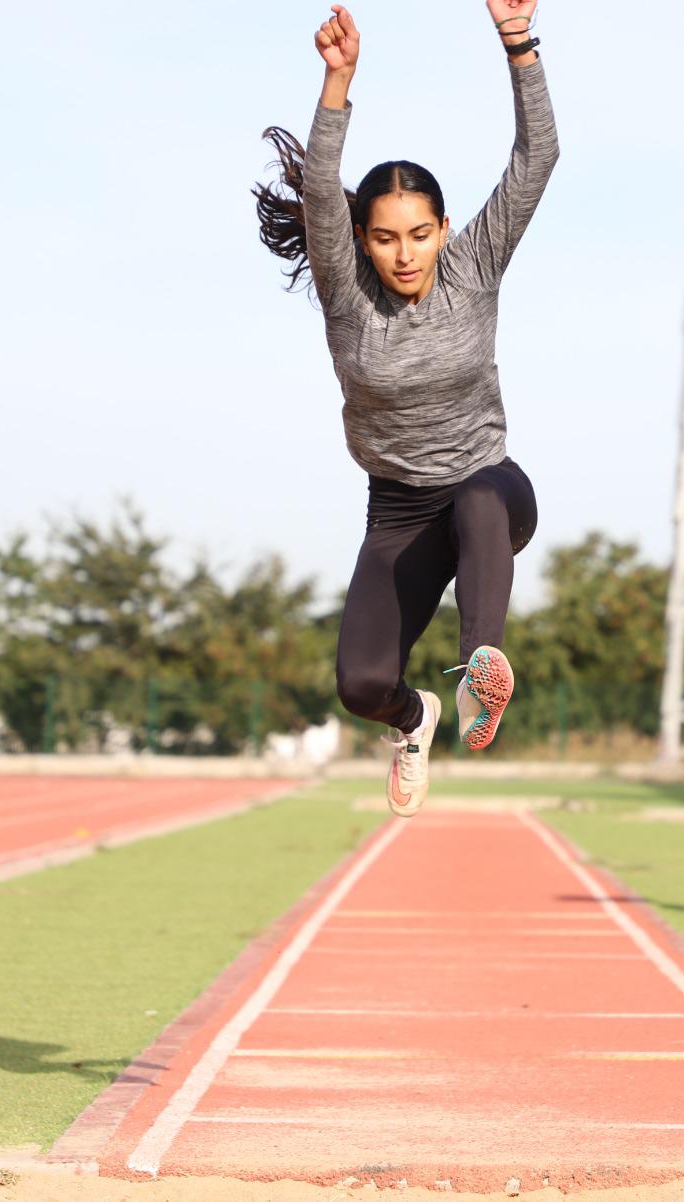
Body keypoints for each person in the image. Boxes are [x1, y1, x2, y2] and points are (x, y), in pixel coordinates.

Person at [252, 2, 558, 817]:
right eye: (385, 238)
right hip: (398, 511)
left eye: (420, 235)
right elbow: (322, 193)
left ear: (444, 230)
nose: (405, 254)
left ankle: (479, 671)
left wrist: (519, 45)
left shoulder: (474, 267)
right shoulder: (346, 298)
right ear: (361, 240)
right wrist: (337, 85)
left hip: (489, 488)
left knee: (480, 497)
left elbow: (537, 159)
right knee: (360, 683)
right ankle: (419, 715)